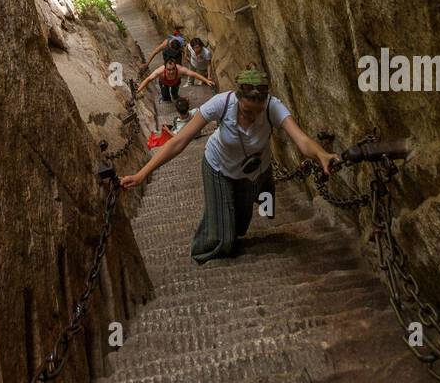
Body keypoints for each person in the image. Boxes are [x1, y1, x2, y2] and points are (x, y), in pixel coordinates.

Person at [120, 67, 337, 264]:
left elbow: (302, 140)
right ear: (237, 98)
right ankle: (202, 255)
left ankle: (252, 208)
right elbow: (178, 141)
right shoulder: (221, 103)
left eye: (257, 111)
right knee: (222, 237)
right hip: (219, 167)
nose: (252, 117)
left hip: (254, 172)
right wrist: (141, 174)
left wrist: (321, 154)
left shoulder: (273, 107)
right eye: (246, 111)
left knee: (241, 223)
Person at [135, 56, 213, 105]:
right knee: (166, 97)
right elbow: (148, 79)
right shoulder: (159, 71)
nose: (171, 71)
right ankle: (166, 98)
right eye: (169, 70)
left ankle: (175, 97)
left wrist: (206, 80)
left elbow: (193, 74)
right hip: (164, 83)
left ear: (175, 67)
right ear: (165, 68)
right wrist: (139, 89)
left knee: (175, 94)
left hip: (175, 83)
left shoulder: (180, 69)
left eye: (173, 69)